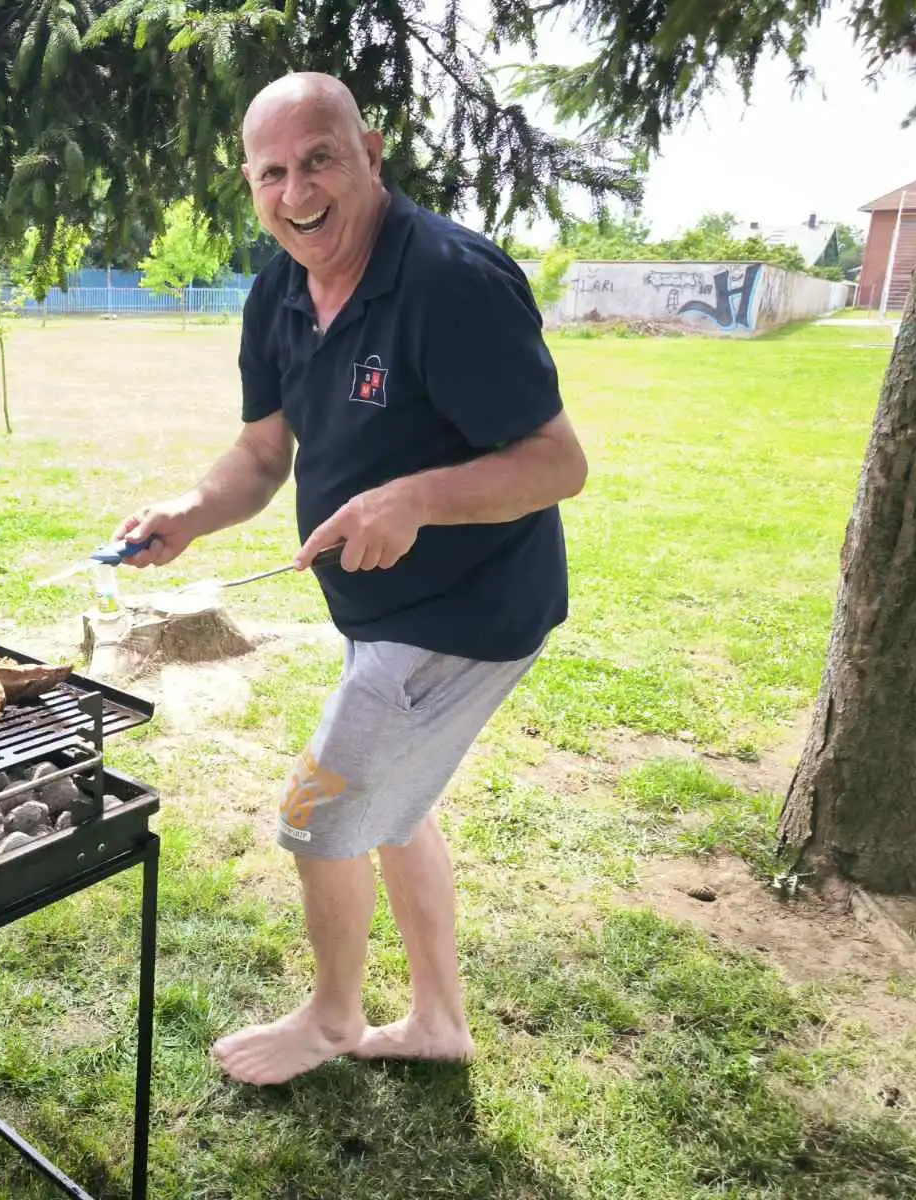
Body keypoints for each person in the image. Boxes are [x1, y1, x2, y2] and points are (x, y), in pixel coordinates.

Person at [110, 71, 589, 1087]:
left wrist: (411, 500)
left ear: (369, 152)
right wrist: (191, 515)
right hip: (383, 615)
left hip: (464, 613)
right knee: (392, 810)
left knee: (316, 813)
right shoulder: (278, 289)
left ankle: (330, 1018)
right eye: (271, 171)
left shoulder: (451, 282)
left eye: (318, 158)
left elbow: (557, 464)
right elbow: (259, 454)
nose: (296, 191)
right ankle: (437, 1020)